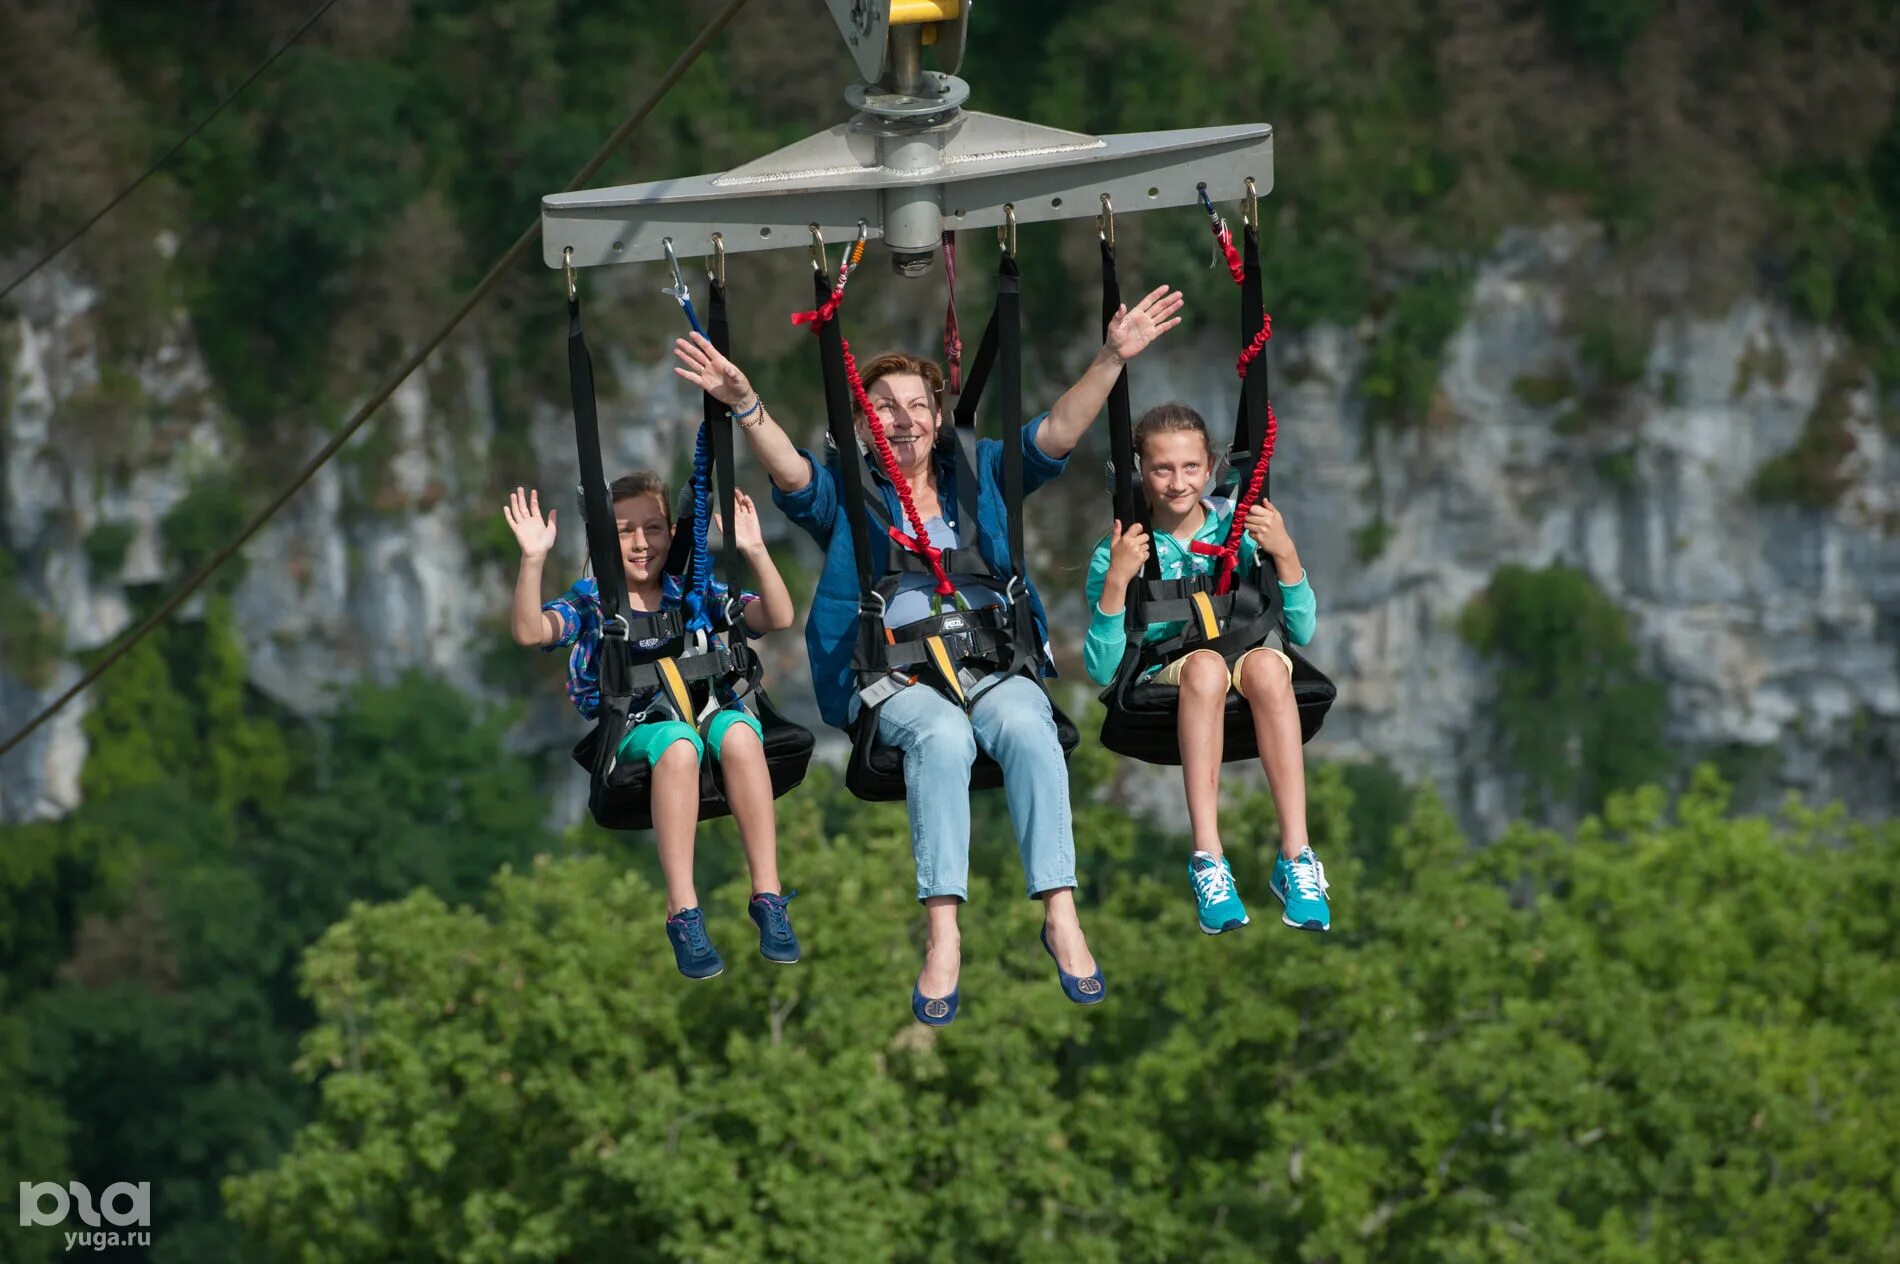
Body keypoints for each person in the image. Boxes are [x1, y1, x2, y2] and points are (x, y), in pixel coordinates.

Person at [671, 284, 1184, 1025]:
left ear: (939, 420)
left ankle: (1061, 913)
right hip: (895, 678)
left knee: (1029, 722)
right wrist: (747, 404)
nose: (903, 421)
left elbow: (1057, 434)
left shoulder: (980, 477)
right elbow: (791, 475)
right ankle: (943, 934)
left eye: (917, 407)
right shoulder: (852, 493)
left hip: (991, 664)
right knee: (942, 737)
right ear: (861, 422)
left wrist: (1111, 357)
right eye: (883, 408)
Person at [504, 473, 799, 980]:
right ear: (602, 541)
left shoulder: (694, 593)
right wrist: (533, 560)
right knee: (679, 744)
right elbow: (532, 631)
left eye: (654, 528)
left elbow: (778, 615)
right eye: (623, 532)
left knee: (742, 730)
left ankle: (768, 896)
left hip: (703, 718)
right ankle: (683, 911)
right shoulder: (595, 603)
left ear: (672, 532)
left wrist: (753, 549)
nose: (642, 544)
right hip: (639, 735)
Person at [1083, 402, 1332, 934]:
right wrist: (1116, 583)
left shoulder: (1236, 532)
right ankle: (1208, 858)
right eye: (1162, 469)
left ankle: (1297, 856)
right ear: (1137, 474)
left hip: (1238, 661)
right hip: (1167, 677)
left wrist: (1284, 554)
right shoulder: (1122, 550)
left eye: (1190, 468)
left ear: (1211, 467)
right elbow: (1100, 666)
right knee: (1204, 669)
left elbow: (1303, 632)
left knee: (1269, 666)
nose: (1178, 483)